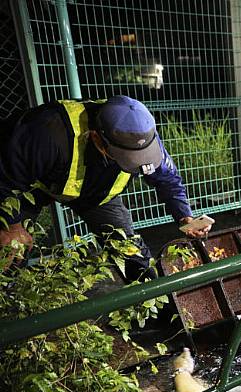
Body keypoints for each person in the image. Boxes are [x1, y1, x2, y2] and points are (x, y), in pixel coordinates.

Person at [0, 95, 212, 280]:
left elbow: (168, 180)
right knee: (11, 248)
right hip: (32, 187)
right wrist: (11, 224)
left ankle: (156, 306)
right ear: (97, 139)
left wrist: (186, 217)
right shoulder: (46, 132)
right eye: (128, 159)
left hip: (98, 195)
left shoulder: (142, 135)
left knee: (132, 254)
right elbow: (5, 176)